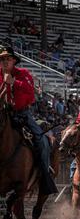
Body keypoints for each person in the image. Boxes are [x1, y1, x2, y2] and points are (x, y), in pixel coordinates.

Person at [0, 46, 58, 195]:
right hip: (2, 113)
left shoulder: (23, 74)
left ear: (14, 61)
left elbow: (30, 92)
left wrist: (14, 82)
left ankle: (45, 176)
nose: (5, 62)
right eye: (2, 59)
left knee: (40, 139)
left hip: (22, 114)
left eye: (8, 59)